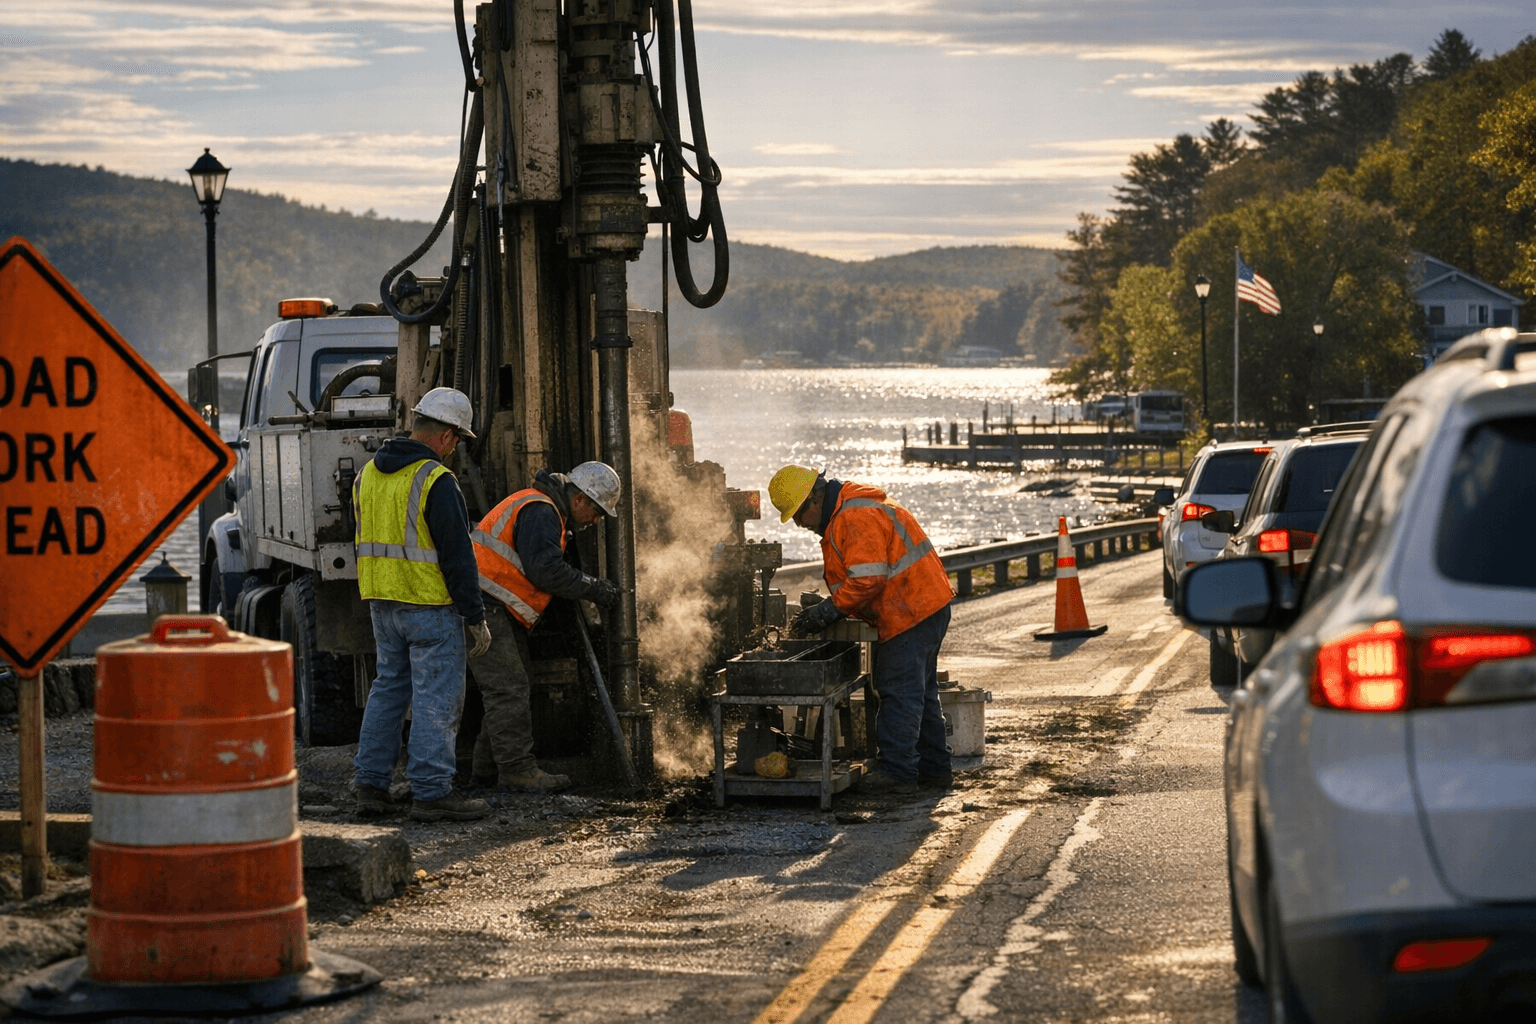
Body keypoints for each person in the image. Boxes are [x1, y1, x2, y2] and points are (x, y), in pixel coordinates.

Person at [352, 387, 493, 822]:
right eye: (457, 441)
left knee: (388, 691)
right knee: (437, 697)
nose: (454, 451)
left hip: (381, 602)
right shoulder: (435, 480)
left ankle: (371, 787)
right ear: (447, 436)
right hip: (429, 605)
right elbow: (457, 557)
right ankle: (431, 792)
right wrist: (475, 616)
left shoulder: (368, 475)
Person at [769, 464, 954, 795]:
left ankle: (898, 773)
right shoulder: (849, 507)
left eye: (798, 515)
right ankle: (934, 771)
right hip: (924, 604)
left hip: (910, 610)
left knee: (899, 692)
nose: (798, 524)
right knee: (920, 695)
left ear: (814, 499)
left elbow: (869, 579)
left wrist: (830, 609)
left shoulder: (852, 517)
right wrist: (832, 604)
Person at [468, 461, 623, 792]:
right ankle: (516, 770)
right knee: (508, 689)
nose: (596, 521)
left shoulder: (546, 509)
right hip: (483, 607)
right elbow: (547, 572)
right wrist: (595, 588)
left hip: (491, 606)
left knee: (509, 687)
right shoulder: (541, 512)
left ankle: (486, 770)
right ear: (579, 499)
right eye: (597, 512)